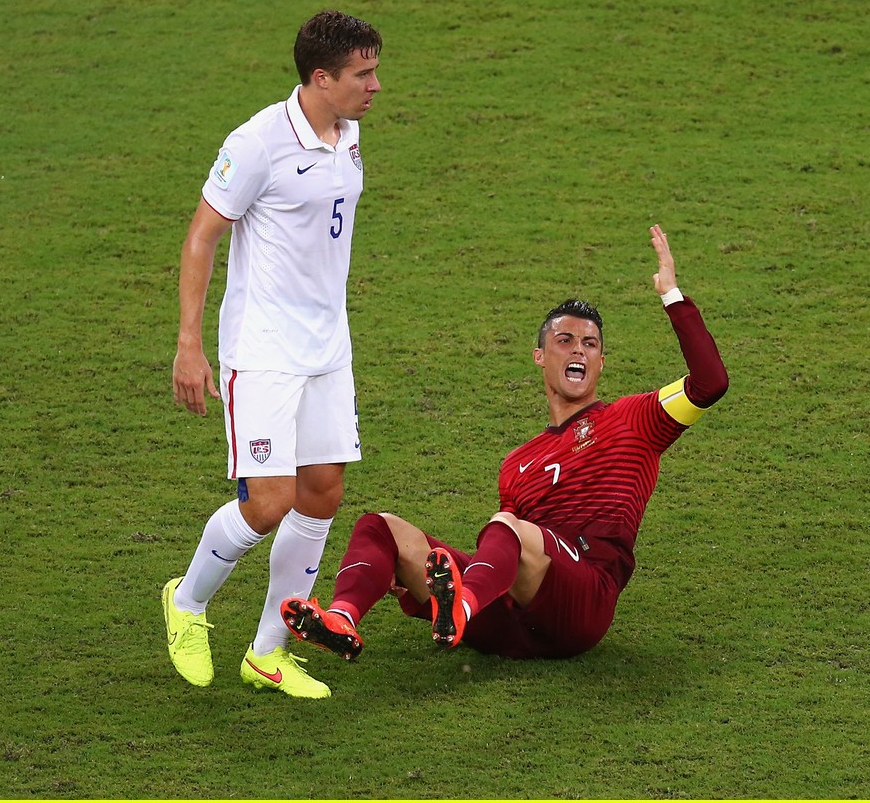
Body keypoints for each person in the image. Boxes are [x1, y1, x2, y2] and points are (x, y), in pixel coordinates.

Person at [280, 224, 728, 664]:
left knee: (509, 526)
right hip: (508, 621)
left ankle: (460, 606)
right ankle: (343, 618)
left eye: (590, 344)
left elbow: (710, 383)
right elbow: (506, 555)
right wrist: (404, 570)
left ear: (601, 362)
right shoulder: (518, 463)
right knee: (381, 527)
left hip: (582, 607)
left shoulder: (634, 418)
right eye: (565, 340)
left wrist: (672, 294)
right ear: (540, 356)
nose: (579, 350)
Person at [162, 11, 382, 699]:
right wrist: (190, 344)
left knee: (322, 492)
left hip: (328, 349)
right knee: (269, 501)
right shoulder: (256, 143)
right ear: (321, 78)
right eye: (363, 74)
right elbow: (202, 236)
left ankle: (268, 651)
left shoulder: (348, 132)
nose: (375, 86)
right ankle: (186, 602)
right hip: (263, 352)